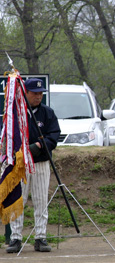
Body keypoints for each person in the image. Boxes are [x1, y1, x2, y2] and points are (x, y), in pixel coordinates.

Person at [6, 78, 61, 253]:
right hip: (20, 164)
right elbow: (7, 134)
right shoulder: (15, 113)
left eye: (41, 93)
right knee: (18, 199)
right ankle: (15, 238)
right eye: (35, 93)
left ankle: (40, 237)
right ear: (26, 93)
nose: (39, 96)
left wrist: (38, 145)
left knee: (40, 199)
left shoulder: (47, 113)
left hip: (40, 162)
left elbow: (54, 135)